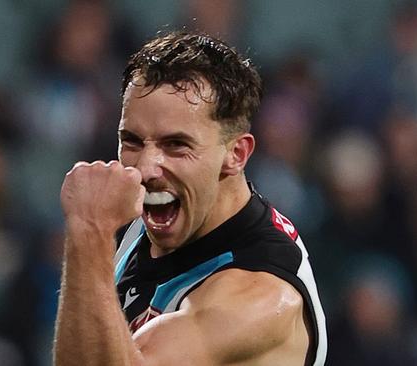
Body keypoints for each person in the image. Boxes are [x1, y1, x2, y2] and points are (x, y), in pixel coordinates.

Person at [54, 31, 327, 366]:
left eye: (176, 145)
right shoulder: (166, 210)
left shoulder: (257, 299)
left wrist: (89, 231)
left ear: (236, 154)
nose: (146, 167)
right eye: (133, 141)